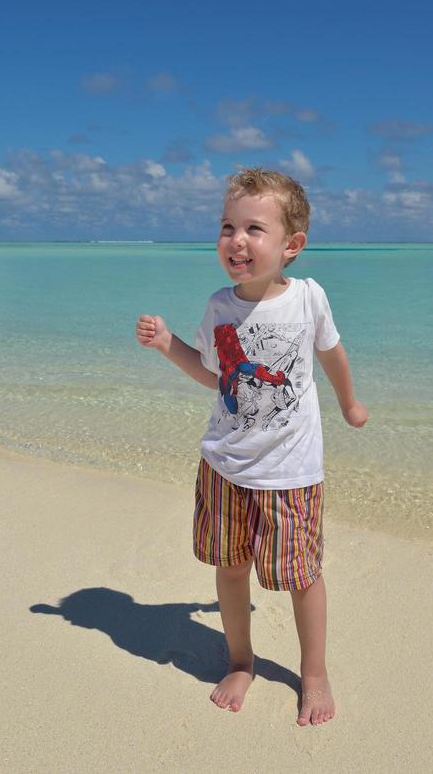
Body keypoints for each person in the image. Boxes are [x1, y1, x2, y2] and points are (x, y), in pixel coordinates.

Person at [136, 167, 368, 726]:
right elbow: (216, 375)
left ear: (291, 245)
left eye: (254, 229)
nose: (236, 240)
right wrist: (169, 345)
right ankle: (241, 660)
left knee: (302, 575)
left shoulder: (309, 299)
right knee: (231, 566)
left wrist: (348, 403)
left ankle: (313, 672)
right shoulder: (221, 307)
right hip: (224, 464)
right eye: (227, 226)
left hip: (291, 471)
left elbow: (332, 354)